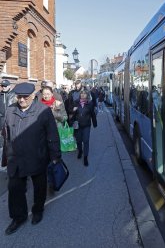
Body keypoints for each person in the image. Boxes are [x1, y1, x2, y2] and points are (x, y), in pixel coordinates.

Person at [1, 82, 61, 235]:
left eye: (25, 97)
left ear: (33, 96)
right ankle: (18, 217)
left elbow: (52, 134)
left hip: (37, 157)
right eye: (19, 97)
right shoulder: (10, 110)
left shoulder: (43, 111)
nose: (21, 100)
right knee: (14, 189)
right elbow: (6, 134)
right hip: (16, 158)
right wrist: (6, 157)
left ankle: (37, 210)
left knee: (39, 187)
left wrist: (55, 156)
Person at [73, 90, 97, 166]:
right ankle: (80, 151)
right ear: (80, 95)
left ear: (87, 95)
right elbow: (71, 113)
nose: (83, 95)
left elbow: (92, 114)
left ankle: (85, 157)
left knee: (86, 140)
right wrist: (73, 111)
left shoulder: (90, 103)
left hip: (87, 125)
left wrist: (95, 123)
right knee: (79, 140)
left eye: (85, 94)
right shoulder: (76, 102)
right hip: (78, 125)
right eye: (82, 93)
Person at [0, 80, 16, 168]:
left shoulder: (14, 95)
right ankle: (4, 162)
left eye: (5, 86)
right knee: (3, 141)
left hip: (11, 120)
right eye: (2, 86)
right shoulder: (0, 95)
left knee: (11, 140)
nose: (4, 87)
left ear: (9, 86)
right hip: (1, 120)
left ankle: (11, 162)